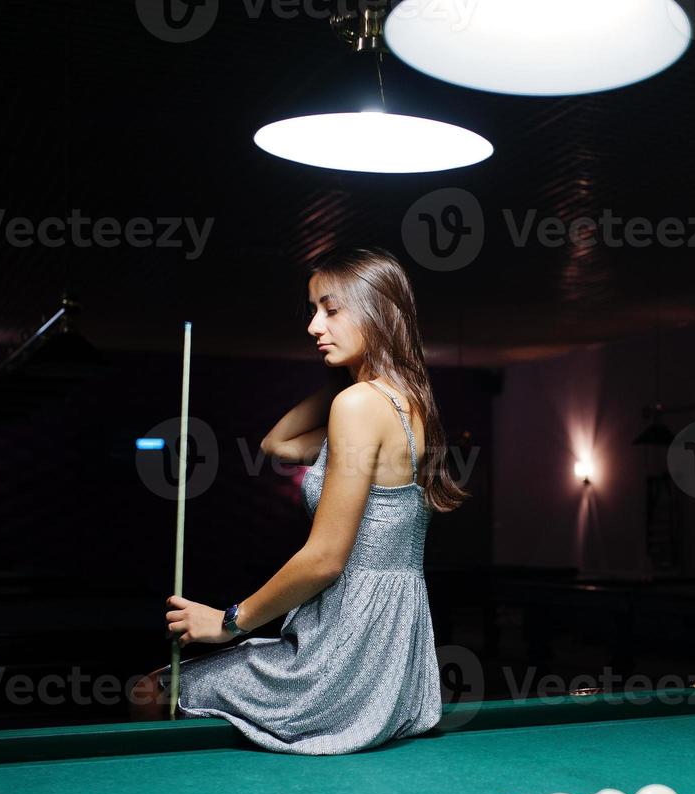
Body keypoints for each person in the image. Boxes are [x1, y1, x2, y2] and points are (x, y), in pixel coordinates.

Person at [131, 247, 469, 754]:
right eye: (315, 310)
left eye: (331, 310)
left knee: (146, 690)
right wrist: (344, 376)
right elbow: (277, 446)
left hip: (341, 654)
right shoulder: (405, 402)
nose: (315, 325)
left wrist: (227, 622)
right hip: (392, 655)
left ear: (377, 310)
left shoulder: (359, 405)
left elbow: (325, 560)